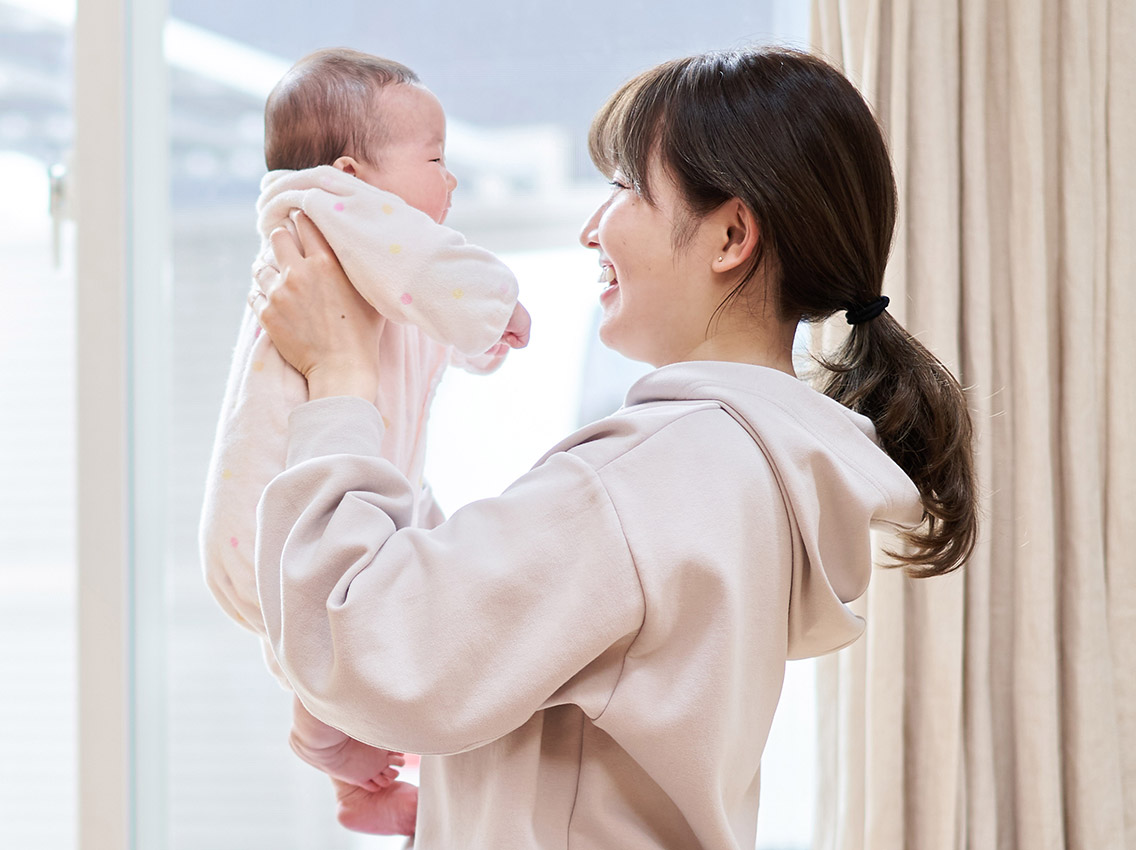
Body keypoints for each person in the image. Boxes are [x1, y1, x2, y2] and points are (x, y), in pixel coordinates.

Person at [247, 46, 978, 849]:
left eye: (625, 187)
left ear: (731, 233)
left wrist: (340, 378)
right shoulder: (753, 466)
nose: (591, 227)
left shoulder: (658, 472)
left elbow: (361, 647)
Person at [198, 47, 532, 836]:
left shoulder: (366, 254)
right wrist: (500, 307)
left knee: (406, 598)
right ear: (352, 174)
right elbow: (441, 276)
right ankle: (326, 737)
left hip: (345, 491)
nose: (449, 180)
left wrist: (477, 341)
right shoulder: (323, 215)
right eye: (435, 159)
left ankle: (351, 768)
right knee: (340, 615)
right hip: (279, 511)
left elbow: (427, 316)